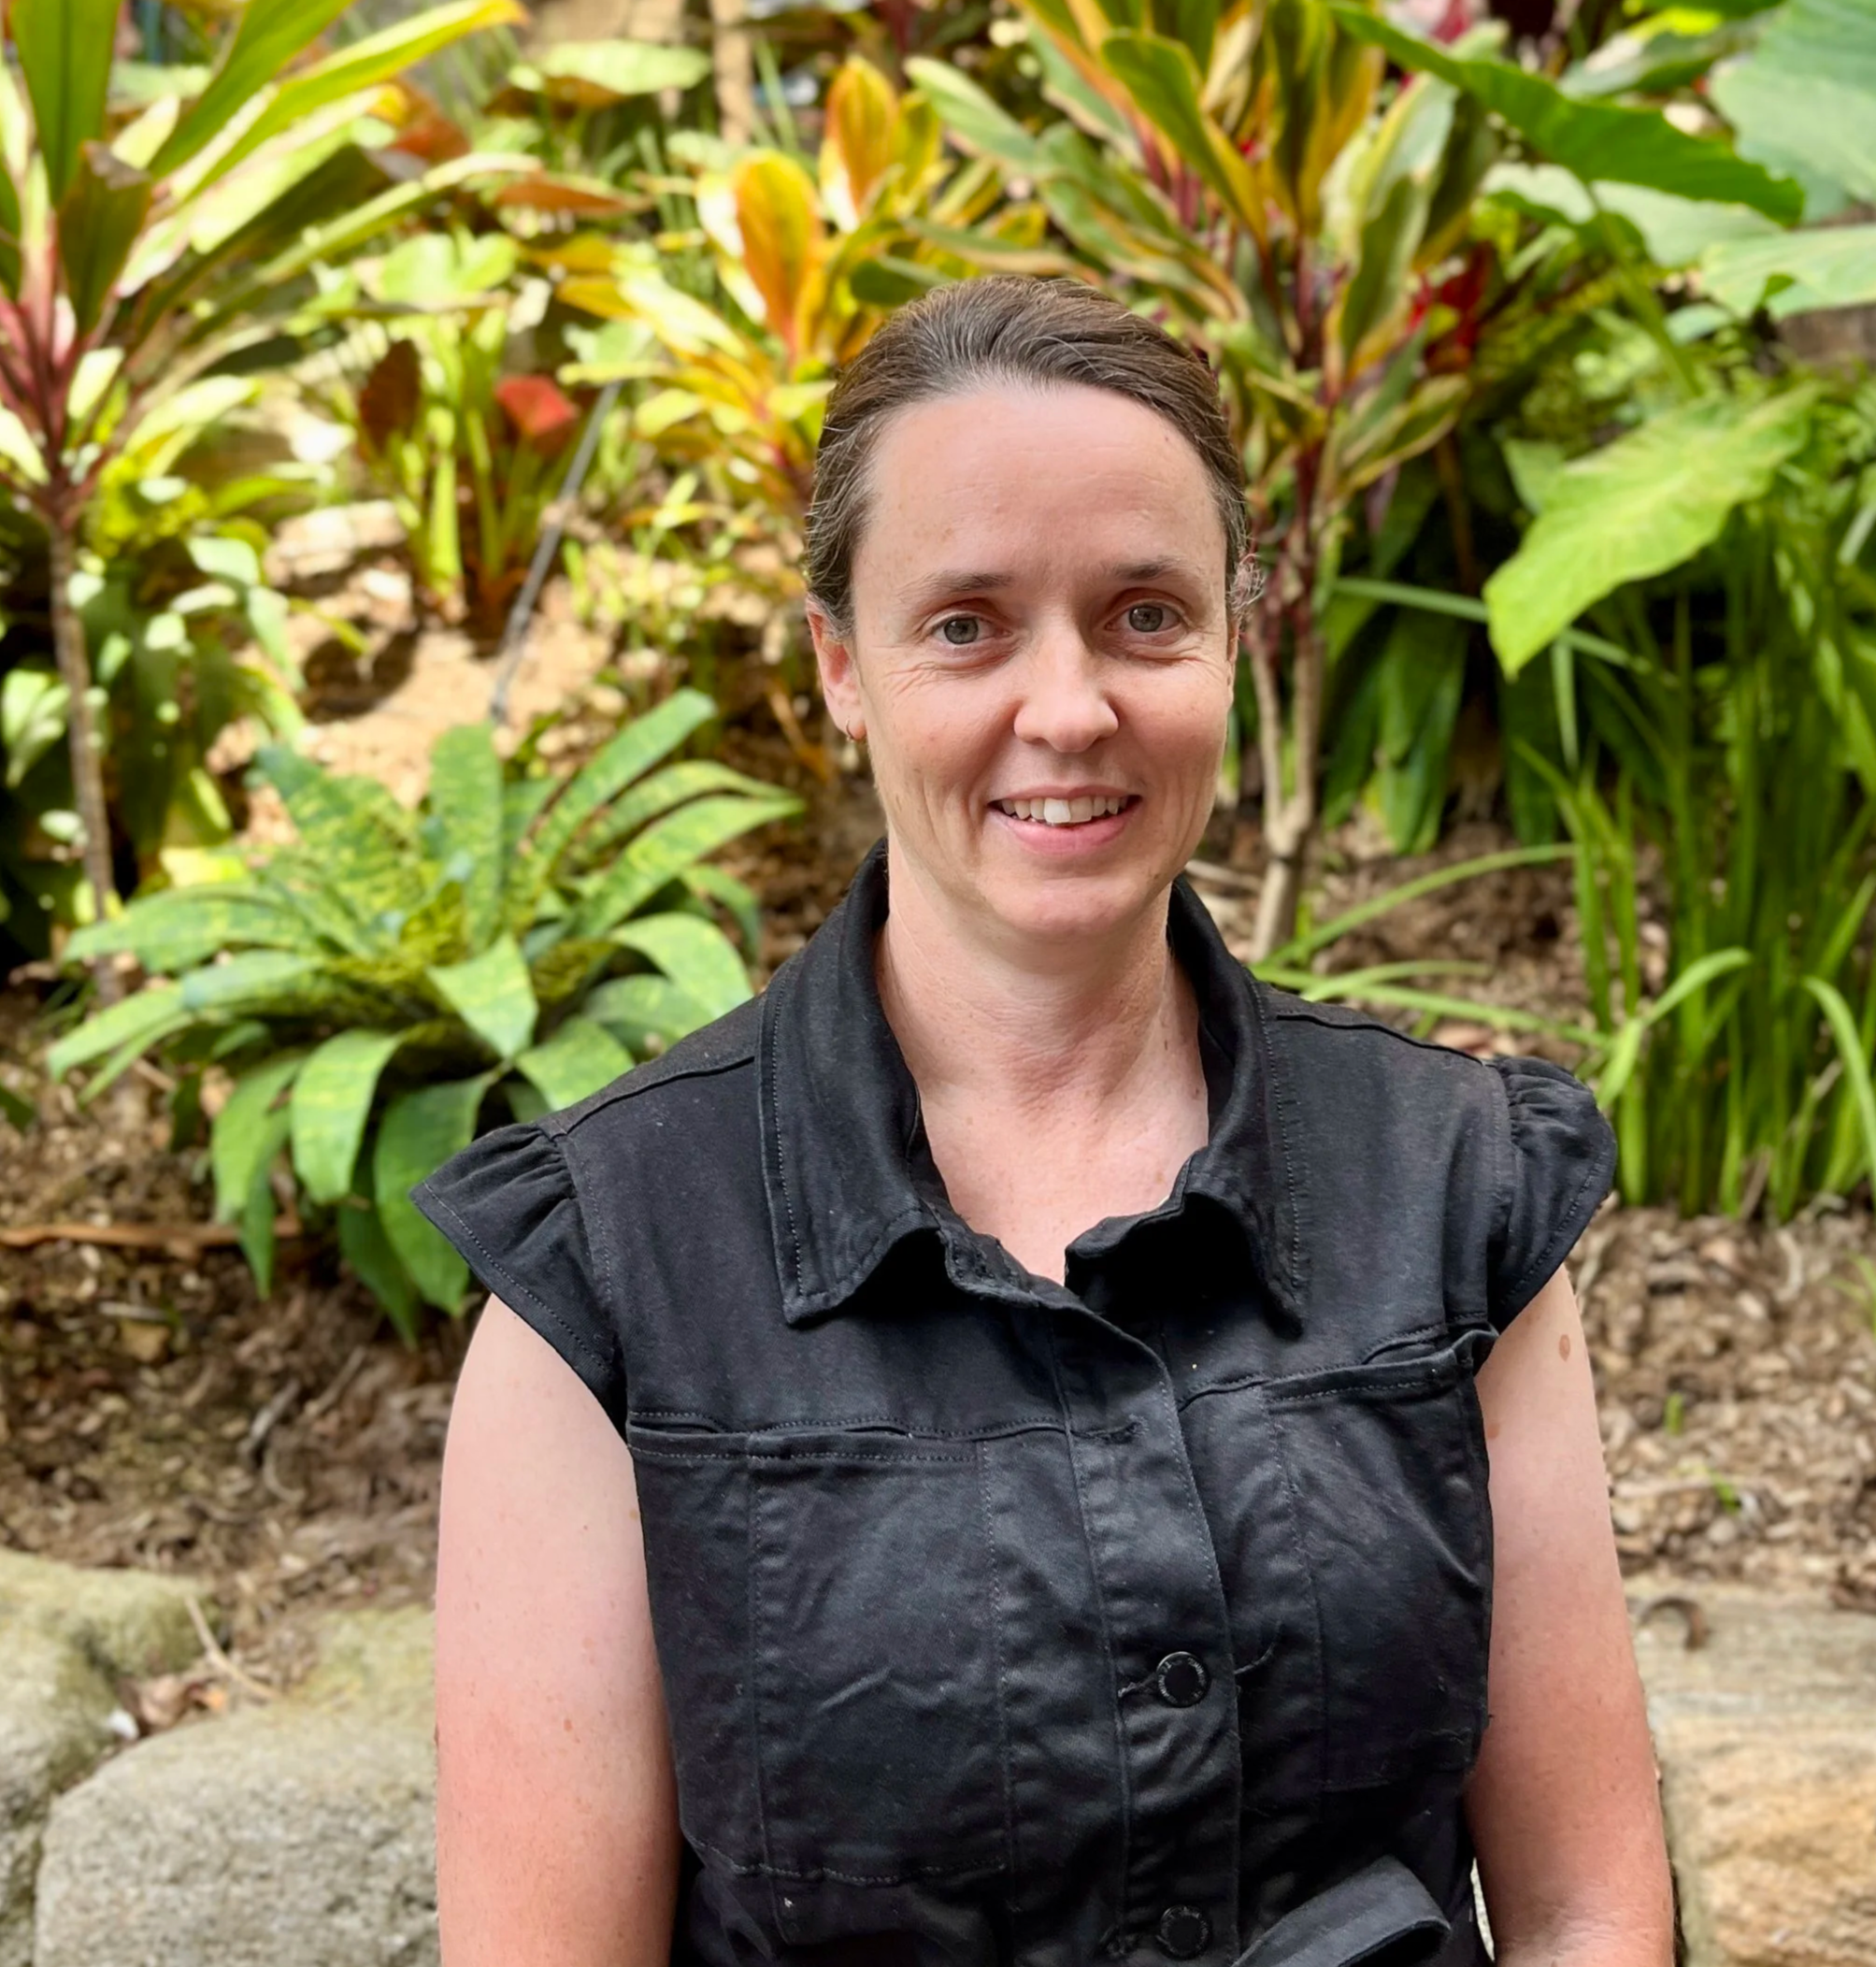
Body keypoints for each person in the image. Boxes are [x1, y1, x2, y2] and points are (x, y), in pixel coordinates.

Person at [414, 274, 1673, 1967]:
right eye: (967, 624)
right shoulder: (616, 1271)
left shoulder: (1448, 1188)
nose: (1069, 707)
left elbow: (1590, 1906)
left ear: (1238, 639)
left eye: (1145, 614)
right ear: (840, 667)